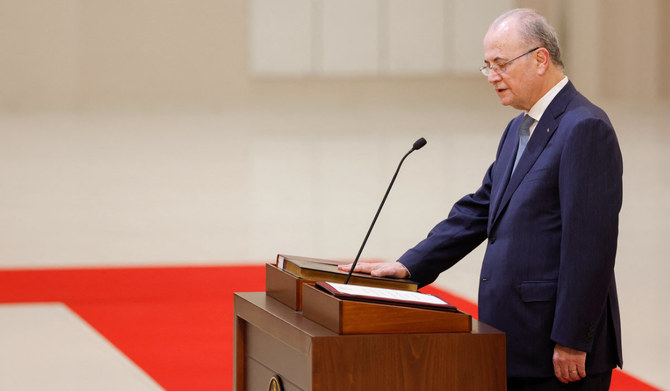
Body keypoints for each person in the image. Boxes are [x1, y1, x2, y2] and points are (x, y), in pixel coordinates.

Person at [339, 8, 623, 390]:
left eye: (501, 64)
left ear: (540, 59)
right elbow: (480, 208)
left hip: (557, 348)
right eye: (487, 66)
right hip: (514, 337)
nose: (492, 77)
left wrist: (573, 339)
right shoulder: (518, 128)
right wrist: (410, 266)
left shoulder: (584, 128)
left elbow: (591, 247)